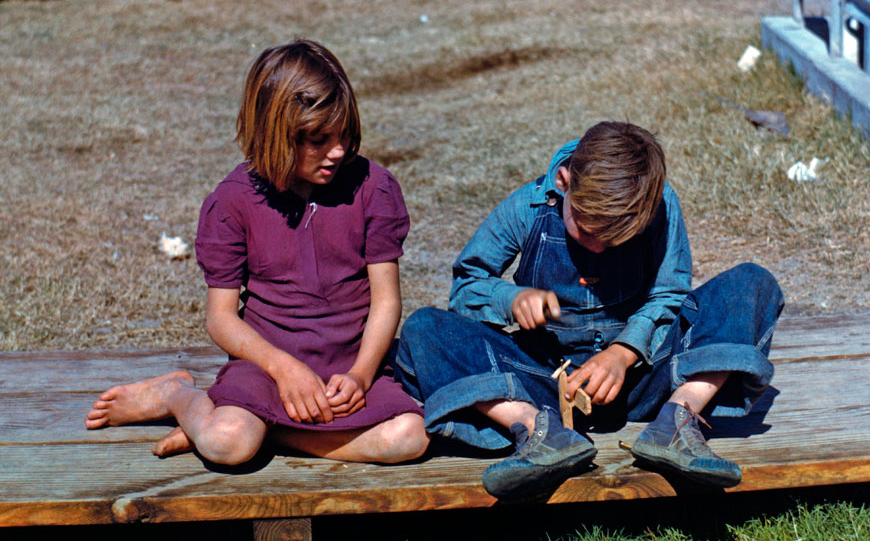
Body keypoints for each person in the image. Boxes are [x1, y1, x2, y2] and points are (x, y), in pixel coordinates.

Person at [394, 121, 783, 499]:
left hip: (644, 378)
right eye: (586, 228)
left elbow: (669, 294)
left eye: (615, 239)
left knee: (750, 283)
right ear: (564, 182)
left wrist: (622, 353)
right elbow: (465, 286)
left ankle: (677, 421)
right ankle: (538, 433)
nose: (597, 248)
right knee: (425, 328)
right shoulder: (526, 208)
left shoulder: (660, 203)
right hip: (543, 382)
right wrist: (508, 300)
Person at [86, 40, 429, 465]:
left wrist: (360, 374)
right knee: (227, 442)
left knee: (409, 437)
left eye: (343, 135)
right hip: (266, 367)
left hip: (350, 365)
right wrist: (284, 370)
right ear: (276, 134)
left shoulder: (373, 188)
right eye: (319, 139)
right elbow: (221, 318)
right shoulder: (232, 202)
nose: (338, 151)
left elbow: (386, 299)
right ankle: (177, 395)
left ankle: (271, 433)